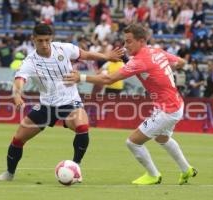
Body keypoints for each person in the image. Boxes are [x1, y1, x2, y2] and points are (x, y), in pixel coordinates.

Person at [64, 24, 197, 185]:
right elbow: (181, 62)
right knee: (162, 138)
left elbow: (108, 79)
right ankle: (186, 169)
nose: (126, 46)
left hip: (167, 110)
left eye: (129, 41)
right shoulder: (156, 51)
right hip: (176, 103)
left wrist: (82, 78)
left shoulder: (141, 61)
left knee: (133, 142)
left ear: (141, 41)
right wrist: (167, 68)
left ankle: (153, 175)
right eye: (125, 41)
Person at [0, 23, 123, 181]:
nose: (44, 44)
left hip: (70, 102)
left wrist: (106, 56)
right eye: (40, 41)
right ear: (33, 39)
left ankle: (75, 167)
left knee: (82, 126)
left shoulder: (63, 48)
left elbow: (84, 54)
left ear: (51, 38)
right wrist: (17, 95)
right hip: (46, 105)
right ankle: (9, 174)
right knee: (19, 138)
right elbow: (20, 80)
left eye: (47, 40)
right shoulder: (30, 61)